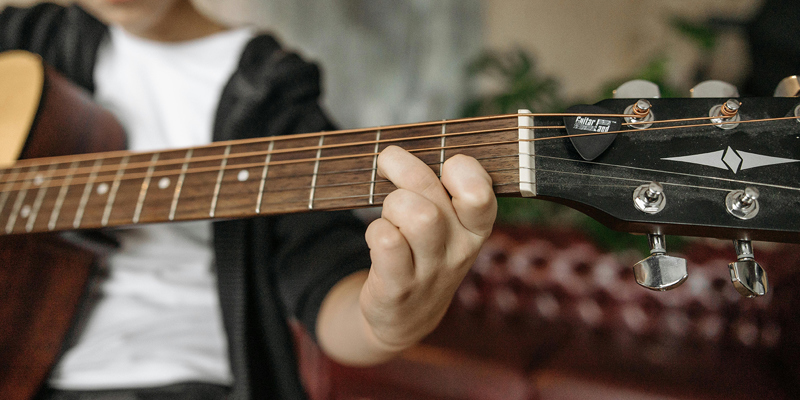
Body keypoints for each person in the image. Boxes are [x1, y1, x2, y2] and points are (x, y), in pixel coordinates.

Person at [0, 1, 497, 399]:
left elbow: (328, 286)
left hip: (187, 377)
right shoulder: (28, 39)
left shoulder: (271, 89)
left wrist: (388, 321)